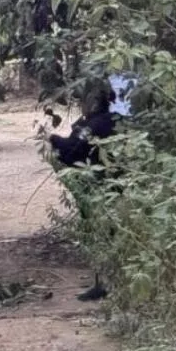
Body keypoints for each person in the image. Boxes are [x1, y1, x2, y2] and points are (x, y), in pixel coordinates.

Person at [46, 77, 121, 301]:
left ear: (94, 102)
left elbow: (72, 152)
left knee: (101, 236)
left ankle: (104, 285)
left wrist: (52, 140)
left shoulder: (92, 126)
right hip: (121, 185)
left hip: (100, 187)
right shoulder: (116, 120)